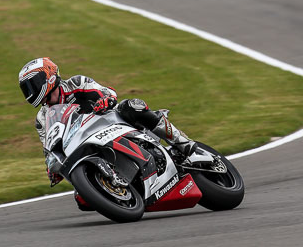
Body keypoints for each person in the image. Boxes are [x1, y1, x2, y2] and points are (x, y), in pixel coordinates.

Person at [18, 57, 198, 190]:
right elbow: (48, 147)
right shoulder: (42, 119)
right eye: (26, 88)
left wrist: (106, 100)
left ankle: (181, 141)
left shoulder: (76, 83)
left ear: (48, 77)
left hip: (110, 121)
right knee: (82, 200)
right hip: (84, 143)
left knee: (131, 105)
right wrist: (52, 167)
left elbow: (106, 91)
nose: (30, 92)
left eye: (32, 85)